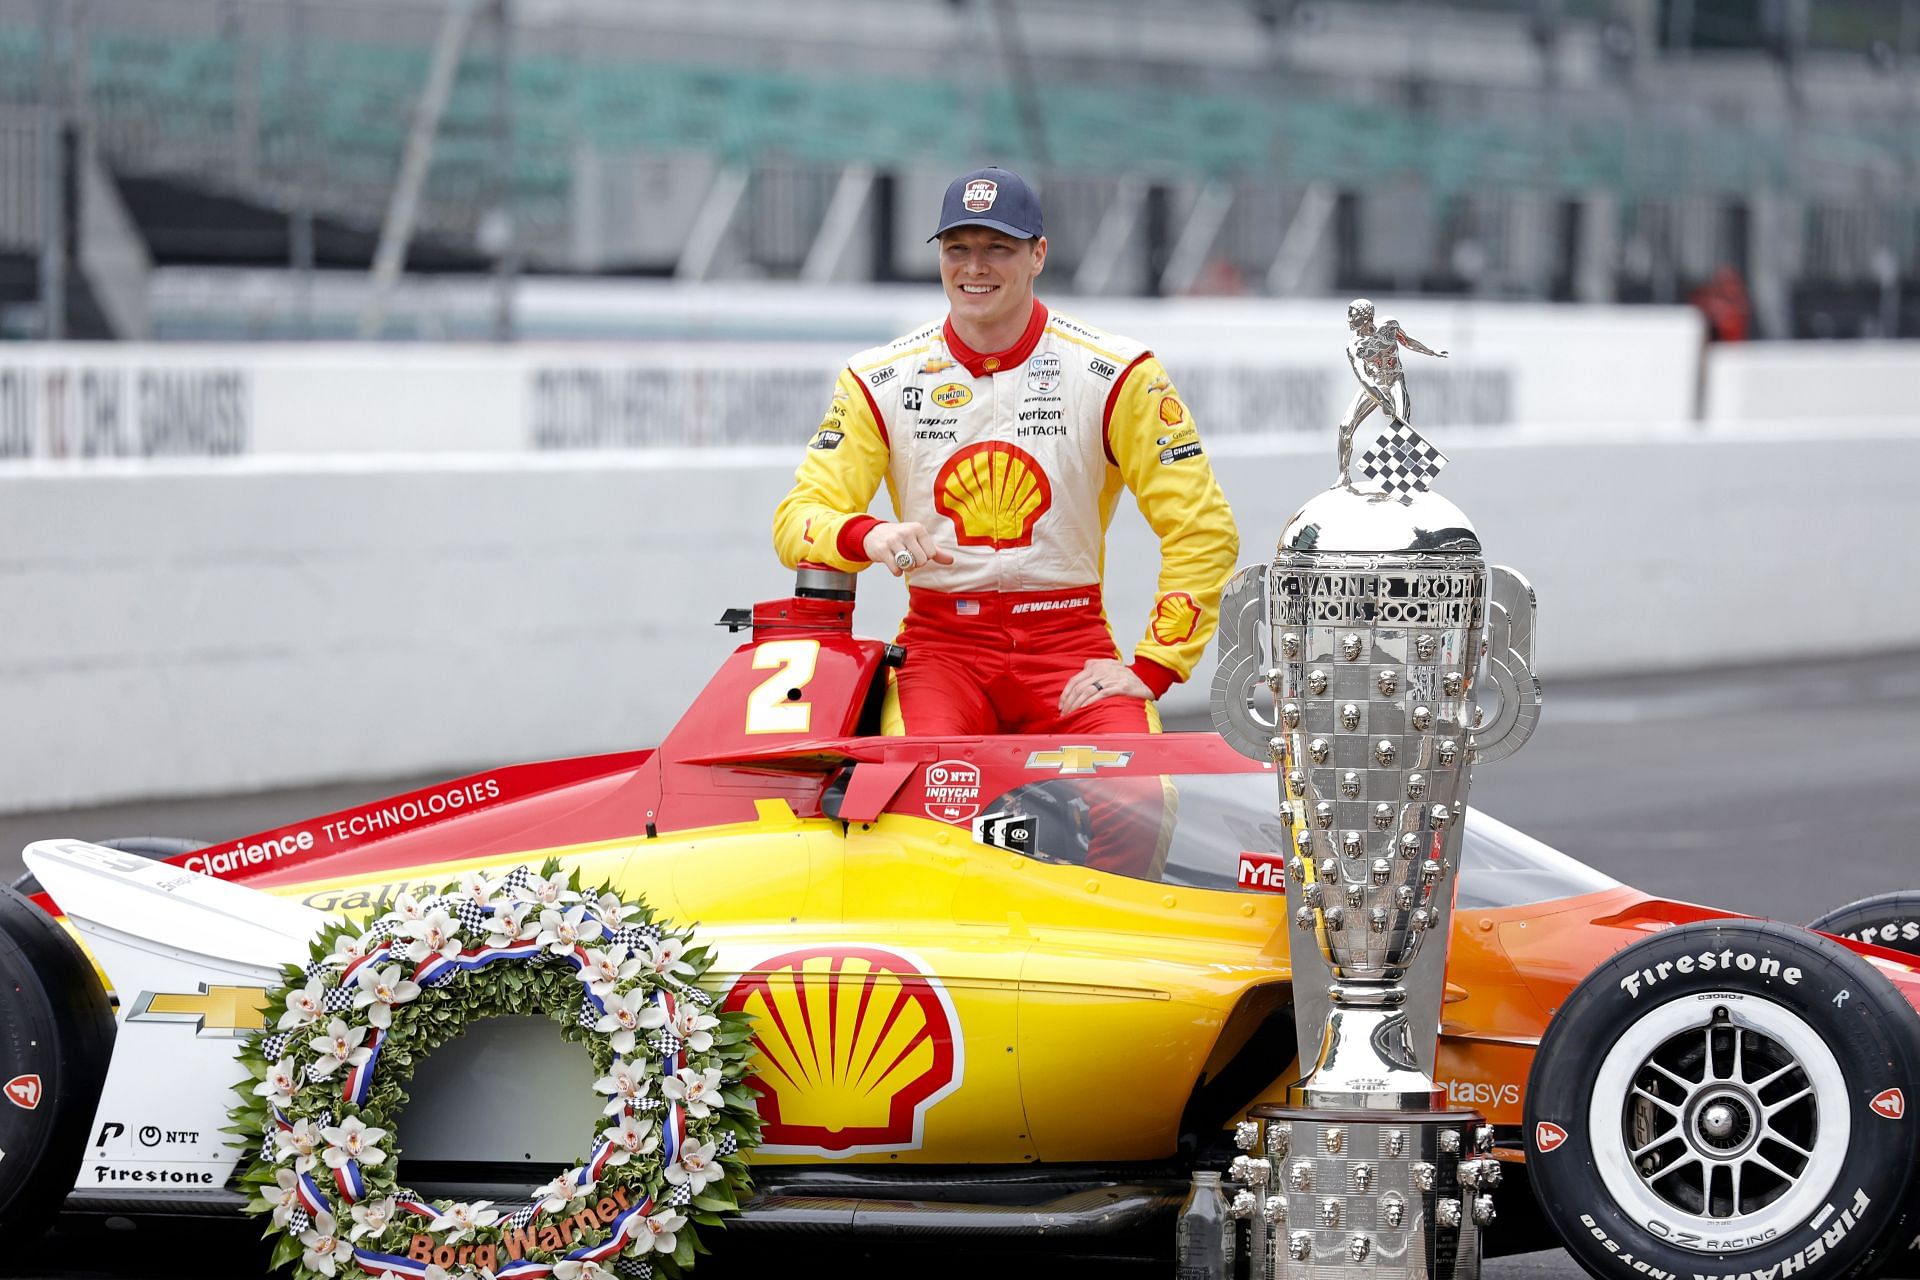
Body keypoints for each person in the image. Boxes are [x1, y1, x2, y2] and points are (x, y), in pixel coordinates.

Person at [772, 167, 1238, 872]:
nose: (975, 267)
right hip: (941, 647)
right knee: (924, 803)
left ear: (1038, 255)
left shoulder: (1117, 372)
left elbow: (1202, 530)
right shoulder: (881, 377)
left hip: (1068, 641)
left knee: (1144, 801)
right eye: (957, 248)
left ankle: (1103, 963)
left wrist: (1156, 666)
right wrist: (869, 535)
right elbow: (797, 520)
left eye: (998, 247)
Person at [1334, 298, 1448, 487]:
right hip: (1373, 386)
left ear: (1365, 317)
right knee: (1345, 427)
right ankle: (1343, 475)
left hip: (1394, 380)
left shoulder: (1389, 326)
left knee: (1403, 426)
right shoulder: (1355, 346)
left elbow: (1407, 341)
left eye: (1352, 315)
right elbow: (1364, 378)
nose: (1348, 320)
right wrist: (1383, 401)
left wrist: (1431, 352)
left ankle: (1413, 476)